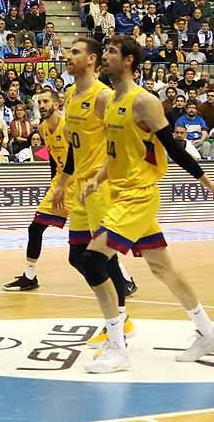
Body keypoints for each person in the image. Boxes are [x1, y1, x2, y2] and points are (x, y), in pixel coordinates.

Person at [78, 36, 214, 372]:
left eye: (111, 52)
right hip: (120, 192)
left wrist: (205, 180)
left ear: (128, 61)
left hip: (139, 194)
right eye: (105, 51)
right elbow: (117, 152)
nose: (105, 56)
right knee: (162, 268)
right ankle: (207, 331)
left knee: (93, 260)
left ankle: (116, 348)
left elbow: (174, 147)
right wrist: (99, 177)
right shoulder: (111, 101)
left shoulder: (145, 102)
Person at [51, 38, 137, 351]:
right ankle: (120, 307)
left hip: (102, 186)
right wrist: (62, 181)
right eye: (68, 51)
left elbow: (124, 143)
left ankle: (121, 321)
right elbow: (74, 146)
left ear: (92, 60)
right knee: (77, 256)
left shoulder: (104, 96)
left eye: (75, 52)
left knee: (101, 257)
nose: (67, 56)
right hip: (79, 187)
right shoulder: (71, 93)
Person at [3, 89, 74, 292]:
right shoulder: (42, 128)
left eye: (45, 101)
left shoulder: (68, 126)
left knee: (94, 235)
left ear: (56, 103)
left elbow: (78, 157)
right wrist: (54, 182)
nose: (41, 105)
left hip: (79, 184)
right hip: (59, 184)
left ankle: (123, 279)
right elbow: (52, 157)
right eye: (39, 102)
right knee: (35, 228)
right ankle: (29, 276)